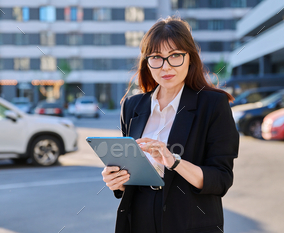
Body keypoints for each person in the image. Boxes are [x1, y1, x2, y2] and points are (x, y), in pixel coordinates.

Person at [101, 16, 239, 233]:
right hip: (138, 219)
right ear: (147, 61)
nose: (166, 66)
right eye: (156, 57)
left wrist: (173, 161)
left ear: (190, 58)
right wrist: (118, 181)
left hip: (189, 221)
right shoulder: (132, 106)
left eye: (175, 55)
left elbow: (221, 179)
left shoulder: (213, 104)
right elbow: (130, 173)